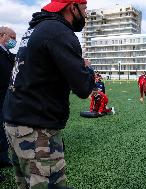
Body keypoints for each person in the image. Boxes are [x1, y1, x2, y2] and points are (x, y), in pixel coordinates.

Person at [2, 0, 95, 188]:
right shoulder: (59, 32)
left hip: (14, 123)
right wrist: (87, 69)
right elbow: (83, 88)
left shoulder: (36, 28)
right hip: (35, 129)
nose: (85, 15)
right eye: (84, 10)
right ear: (73, 7)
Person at [0, 26, 16, 181]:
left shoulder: (8, 54)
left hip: (5, 99)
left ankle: (3, 159)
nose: (14, 41)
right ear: (2, 35)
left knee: (3, 132)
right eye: (12, 37)